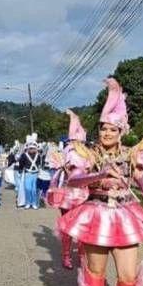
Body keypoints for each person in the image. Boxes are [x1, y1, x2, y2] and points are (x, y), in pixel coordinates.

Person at [57, 78, 143, 286]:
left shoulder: (133, 154)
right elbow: (73, 180)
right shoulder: (88, 154)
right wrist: (100, 174)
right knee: (96, 270)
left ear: (121, 131)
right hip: (96, 214)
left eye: (111, 130)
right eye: (103, 129)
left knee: (128, 274)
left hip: (126, 215)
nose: (106, 133)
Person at [46, 110, 89, 269]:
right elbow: (70, 173)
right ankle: (66, 255)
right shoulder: (70, 152)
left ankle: (83, 256)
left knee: (83, 225)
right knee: (69, 225)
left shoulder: (87, 153)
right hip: (69, 194)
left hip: (84, 193)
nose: (78, 144)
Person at [19, 136, 42, 210]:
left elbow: (39, 164)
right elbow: (21, 163)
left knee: (34, 189)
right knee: (27, 188)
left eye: (33, 148)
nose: (32, 149)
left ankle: (34, 203)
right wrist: (21, 169)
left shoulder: (38, 155)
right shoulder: (24, 155)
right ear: (28, 148)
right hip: (27, 173)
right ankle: (28, 203)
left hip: (35, 174)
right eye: (30, 148)